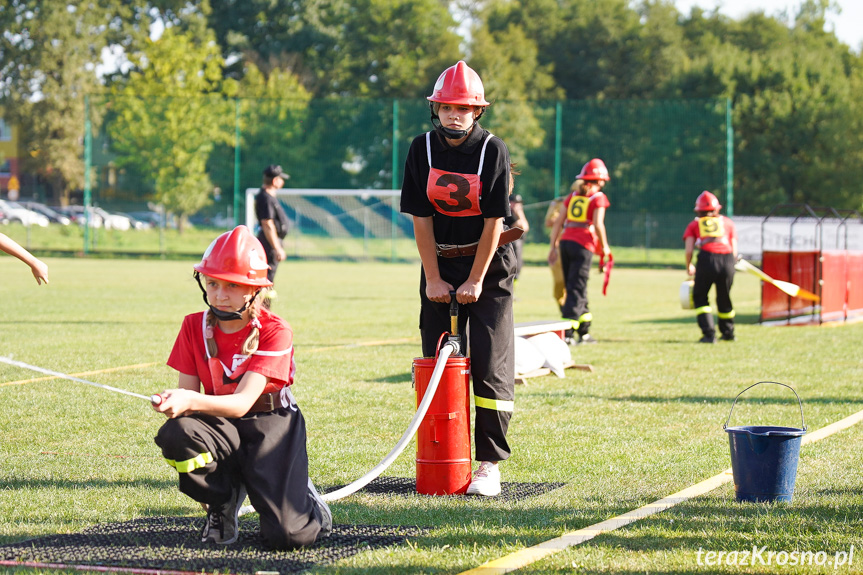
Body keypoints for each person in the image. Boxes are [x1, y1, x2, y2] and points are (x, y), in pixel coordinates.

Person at [152, 225, 331, 549]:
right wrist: (175, 402)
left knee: (287, 537)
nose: (220, 294)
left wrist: (189, 398)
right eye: (213, 283)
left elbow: (243, 403)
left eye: (233, 285)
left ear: (255, 290)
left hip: (271, 422)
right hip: (221, 421)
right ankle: (222, 502)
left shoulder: (276, 330)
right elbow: (190, 400)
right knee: (176, 432)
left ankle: (307, 505)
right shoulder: (193, 325)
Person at [400, 60, 519, 497]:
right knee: (439, 361)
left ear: (477, 112)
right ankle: (442, 451)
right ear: (436, 108)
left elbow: (493, 223)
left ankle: (488, 464)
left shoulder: (493, 151)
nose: (454, 114)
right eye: (447, 106)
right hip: (440, 263)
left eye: (463, 108)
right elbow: (421, 218)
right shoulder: (421, 149)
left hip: (488, 264)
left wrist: (475, 280)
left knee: (490, 361)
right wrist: (433, 278)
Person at [547, 158, 611, 345]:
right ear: (599, 180)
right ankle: (567, 334)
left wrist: (553, 247)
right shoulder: (598, 198)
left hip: (566, 242)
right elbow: (598, 224)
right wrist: (605, 247)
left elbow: (558, 223)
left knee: (575, 286)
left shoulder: (573, 196)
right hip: (583, 245)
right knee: (576, 287)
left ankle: (584, 331)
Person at [683, 191, 737, 343]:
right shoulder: (728, 223)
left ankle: (709, 334)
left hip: (707, 260)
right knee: (724, 297)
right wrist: (731, 263)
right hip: (727, 260)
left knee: (700, 297)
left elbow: (688, 250)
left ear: (698, 211)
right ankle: (728, 333)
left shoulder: (694, 224)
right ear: (717, 209)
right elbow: (734, 248)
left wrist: (689, 266)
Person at [254, 164, 291, 290]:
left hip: (270, 242)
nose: (283, 181)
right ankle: (262, 308)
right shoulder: (266, 198)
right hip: (268, 243)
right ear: (275, 180)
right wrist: (277, 248)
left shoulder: (268, 197)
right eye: (281, 178)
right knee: (266, 278)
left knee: (269, 277)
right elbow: (267, 223)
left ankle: (264, 307)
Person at [505, 168, 529, 288]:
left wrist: (520, 212)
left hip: (517, 247)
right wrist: (519, 213)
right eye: (515, 203)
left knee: (518, 268)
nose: (518, 205)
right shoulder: (508, 213)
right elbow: (522, 227)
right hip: (510, 247)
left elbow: (526, 227)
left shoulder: (517, 213)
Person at [543, 198, 566, 313]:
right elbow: (549, 221)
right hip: (559, 246)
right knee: (559, 281)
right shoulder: (560, 202)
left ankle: (573, 309)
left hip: (577, 246)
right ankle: (563, 307)